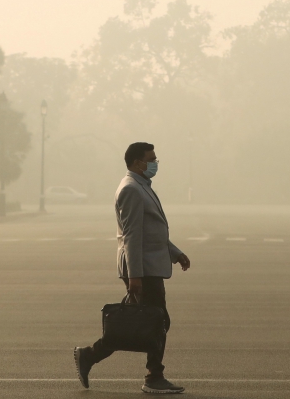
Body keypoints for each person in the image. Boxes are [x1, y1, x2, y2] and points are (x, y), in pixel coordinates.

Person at [74, 142, 191, 394]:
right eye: (151, 159)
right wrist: (134, 276)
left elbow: (151, 232)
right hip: (142, 269)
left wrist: (175, 253)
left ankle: (91, 355)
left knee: (149, 322)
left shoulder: (141, 186)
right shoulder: (131, 190)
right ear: (138, 163)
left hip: (149, 266)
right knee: (156, 322)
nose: (155, 163)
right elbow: (131, 236)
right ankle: (153, 376)